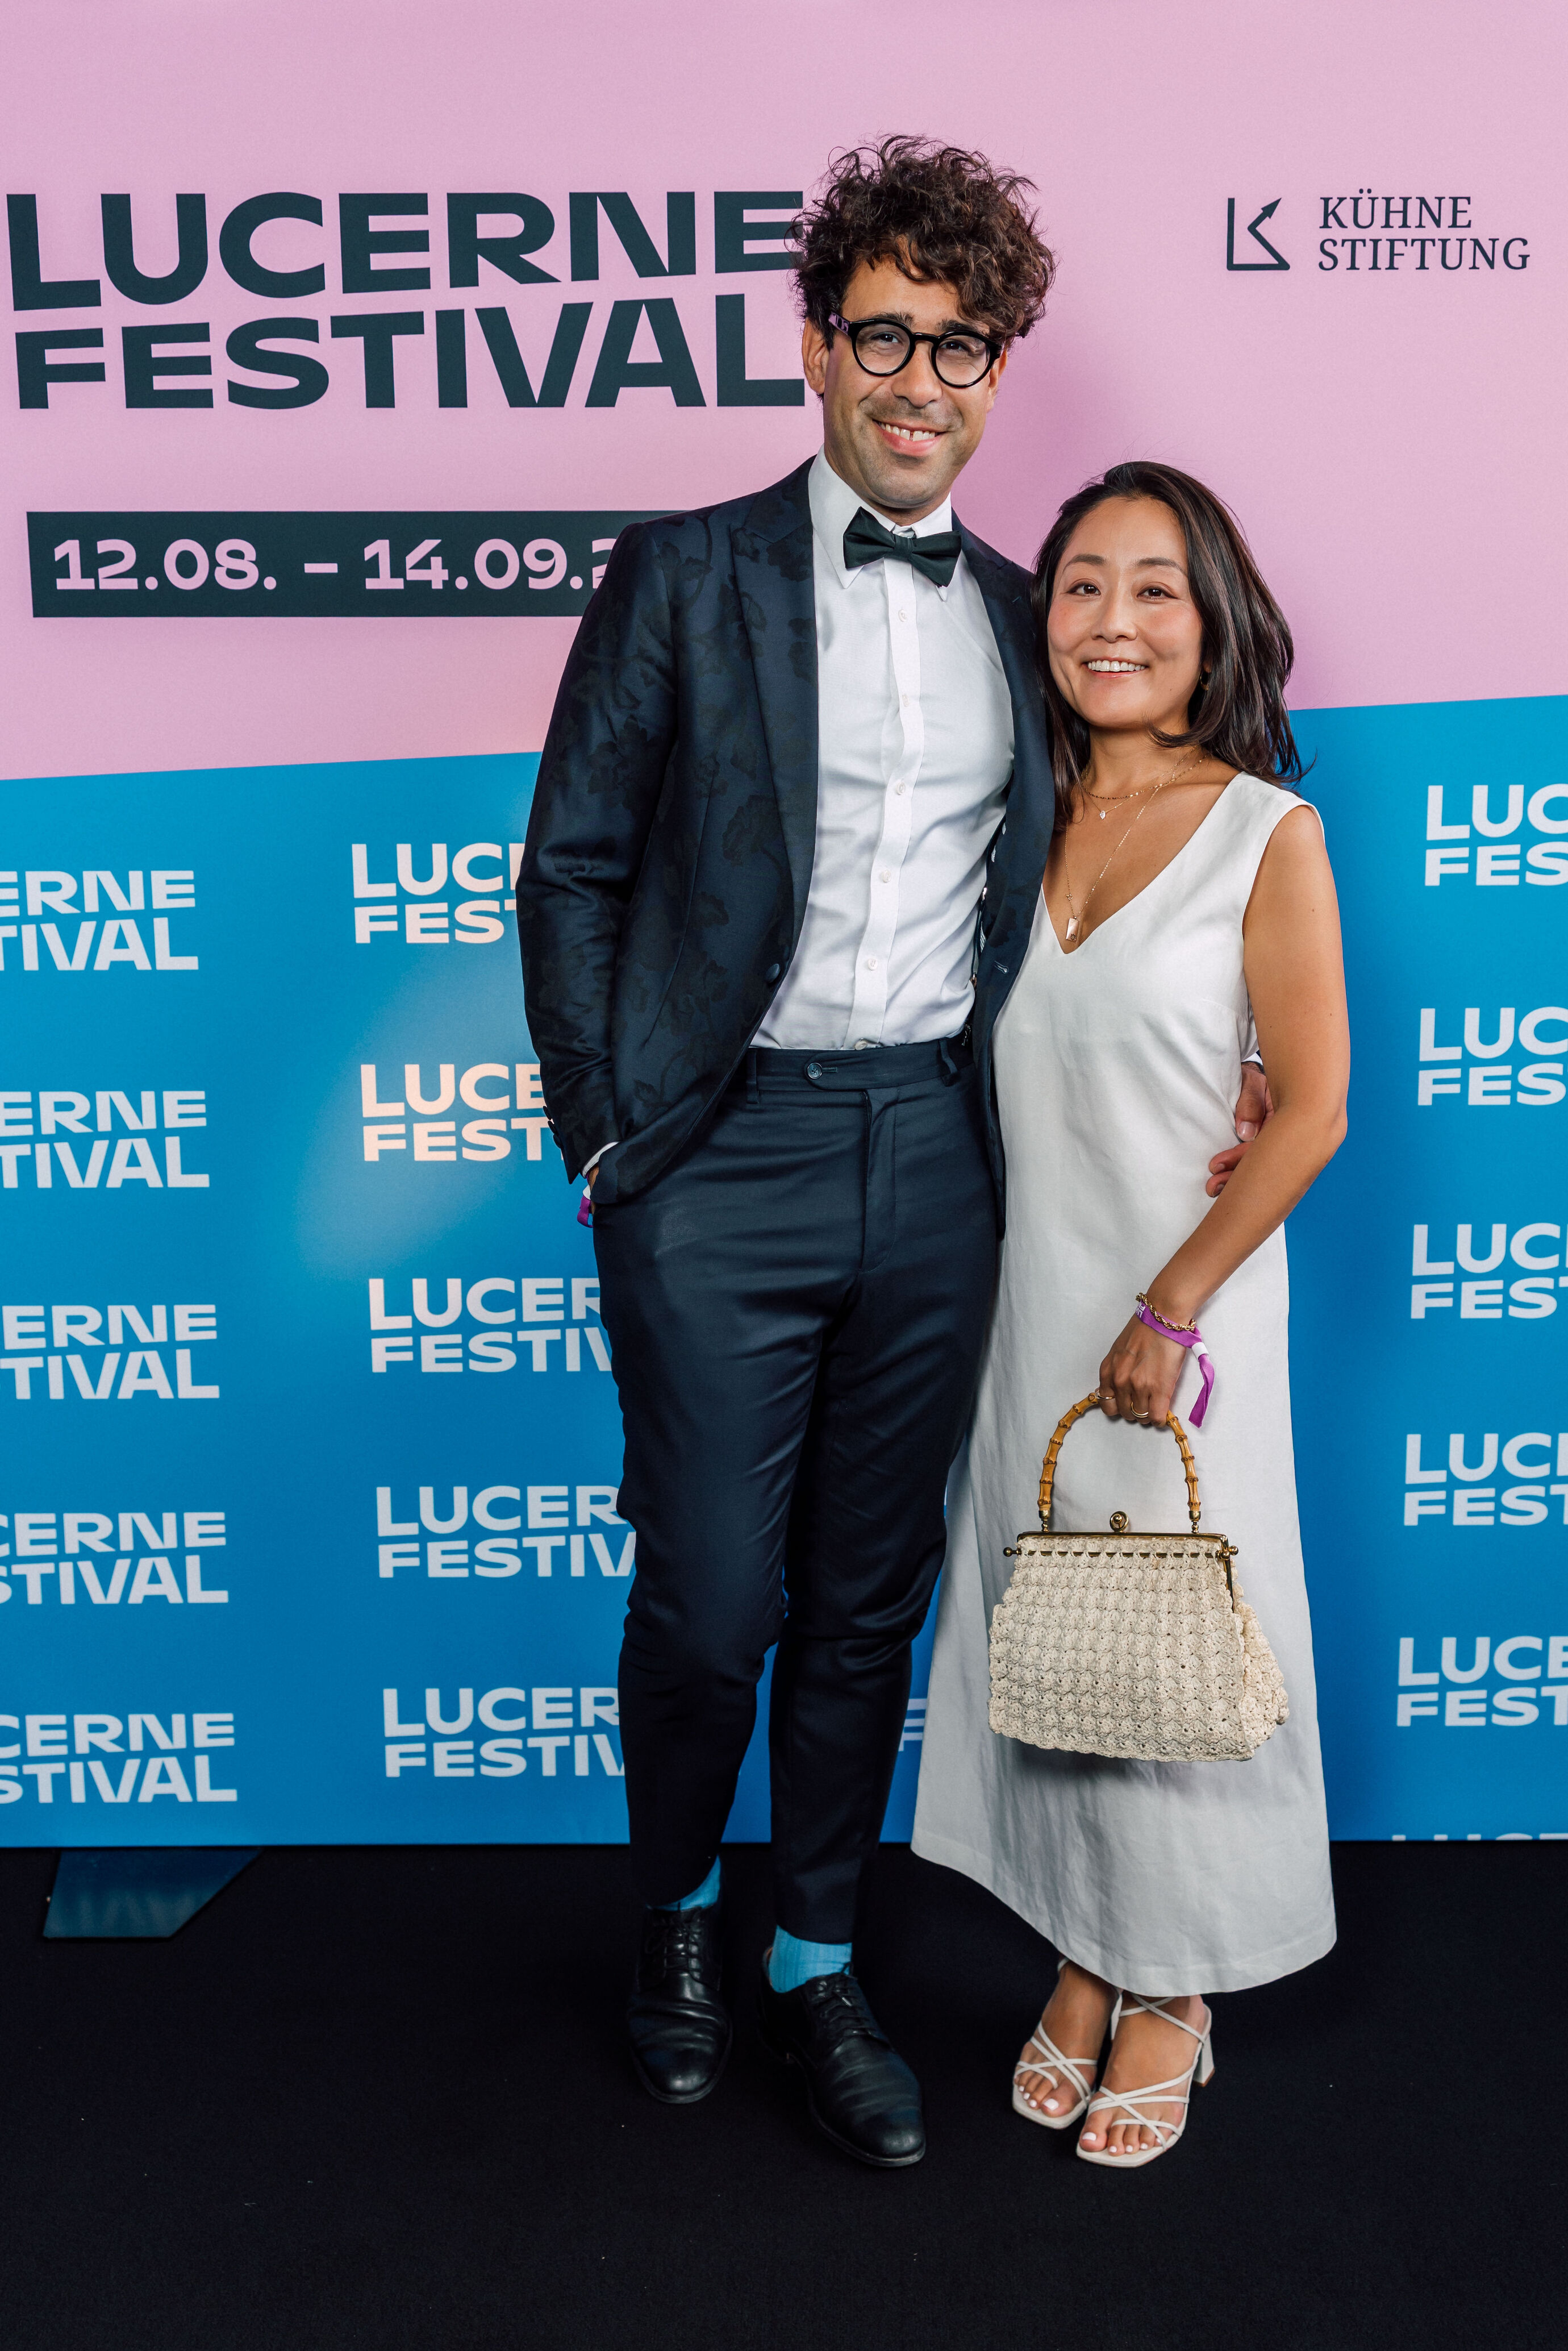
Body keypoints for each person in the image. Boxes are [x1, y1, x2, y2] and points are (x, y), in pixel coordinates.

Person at [518, 143, 1261, 2169]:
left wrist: (1239, 1057)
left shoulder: (1033, 620)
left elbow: (1138, 862)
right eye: (885, 335)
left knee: (868, 1602)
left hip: (943, 1155)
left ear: (1000, 369)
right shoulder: (685, 575)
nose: (920, 379)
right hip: (717, 1155)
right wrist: (609, 1137)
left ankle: (815, 1957)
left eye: (961, 344)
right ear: (818, 343)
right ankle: (679, 1918)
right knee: (710, 1602)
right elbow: (571, 868)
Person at [912, 461, 1348, 2168]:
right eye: (1083, 584)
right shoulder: (1006, 824)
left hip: (1186, 1315)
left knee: (1181, 1641)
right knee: (1060, 1639)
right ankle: (1090, 1947)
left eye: (1156, 587)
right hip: (1022, 1302)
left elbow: (1311, 1107)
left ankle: (1180, 1988)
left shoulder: (1265, 831)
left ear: (1212, 621)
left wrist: (1172, 1306)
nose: (1114, 620)